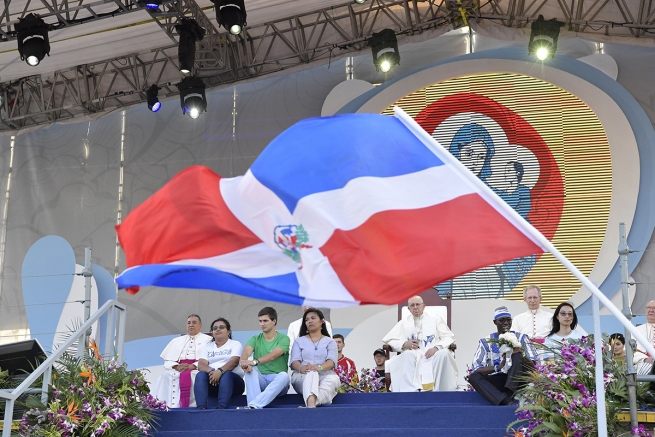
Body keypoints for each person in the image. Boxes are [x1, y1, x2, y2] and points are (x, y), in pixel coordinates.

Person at [382, 295, 457, 392]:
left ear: (423, 306)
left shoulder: (435, 319)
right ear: (409, 309)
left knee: (444, 354)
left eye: (418, 304)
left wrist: (436, 348)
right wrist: (404, 344)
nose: (415, 307)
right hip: (414, 355)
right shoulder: (403, 323)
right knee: (407, 354)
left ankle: (440, 392)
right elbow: (390, 340)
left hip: (434, 354)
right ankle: (409, 393)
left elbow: (448, 337)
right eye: (412, 305)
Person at [468, 306, 537, 406]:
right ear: (495, 322)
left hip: (519, 380)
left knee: (517, 356)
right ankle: (505, 401)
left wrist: (521, 352)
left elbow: (534, 366)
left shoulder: (521, 338)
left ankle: (509, 393)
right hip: (498, 378)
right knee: (473, 377)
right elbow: (477, 368)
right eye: (501, 320)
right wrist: (498, 367)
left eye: (509, 320)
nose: (506, 323)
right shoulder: (486, 341)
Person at [151, 314, 212, 408]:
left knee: (194, 375)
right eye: (189, 323)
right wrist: (176, 366)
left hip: (198, 368)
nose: (191, 325)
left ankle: (192, 405)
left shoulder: (209, 340)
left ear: (200, 325)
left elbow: (210, 358)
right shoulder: (176, 341)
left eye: (194, 322)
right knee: (166, 375)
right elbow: (168, 361)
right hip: (179, 368)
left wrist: (194, 365)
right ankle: (166, 405)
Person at [238, 307, 290, 409]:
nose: (262, 324)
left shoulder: (284, 338)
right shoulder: (255, 338)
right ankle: (253, 406)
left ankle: (254, 404)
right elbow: (246, 352)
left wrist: (254, 362)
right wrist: (243, 363)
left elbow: (273, 356)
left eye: (265, 321)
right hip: (261, 381)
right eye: (260, 321)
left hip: (277, 383)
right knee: (250, 370)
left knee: (284, 376)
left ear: (274, 321)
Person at [289, 308, 340, 407]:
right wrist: (301, 368)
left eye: (313, 318)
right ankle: (312, 403)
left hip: (325, 375)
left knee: (333, 380)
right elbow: (294, 361)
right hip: (303, 376)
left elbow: (332, 361)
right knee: (312, 374)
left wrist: (319, 367)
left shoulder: (330, 341)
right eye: (307, 320)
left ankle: (311, 404)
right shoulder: (299, 341)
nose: (310, 321)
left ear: (322, 321)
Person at [195, 317, 245, 410]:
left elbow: (234, 362)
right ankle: (201, 408)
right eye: (215, 328)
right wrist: (211, 371)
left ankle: (221, 407)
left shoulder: (235, 344)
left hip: (234, 384)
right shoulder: (207, 347)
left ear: (228, 331)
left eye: (221, 327)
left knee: (227, 374)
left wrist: (220, 371)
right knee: (200, 375)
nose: (218, 329)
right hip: (212, 381)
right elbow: (201, 365)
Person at [633, 300, 655, 374]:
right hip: (643, 365)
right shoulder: (635, 330)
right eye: (649, 307)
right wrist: (644, 359)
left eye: (654, 308)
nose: (651, 310)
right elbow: (628, 351)